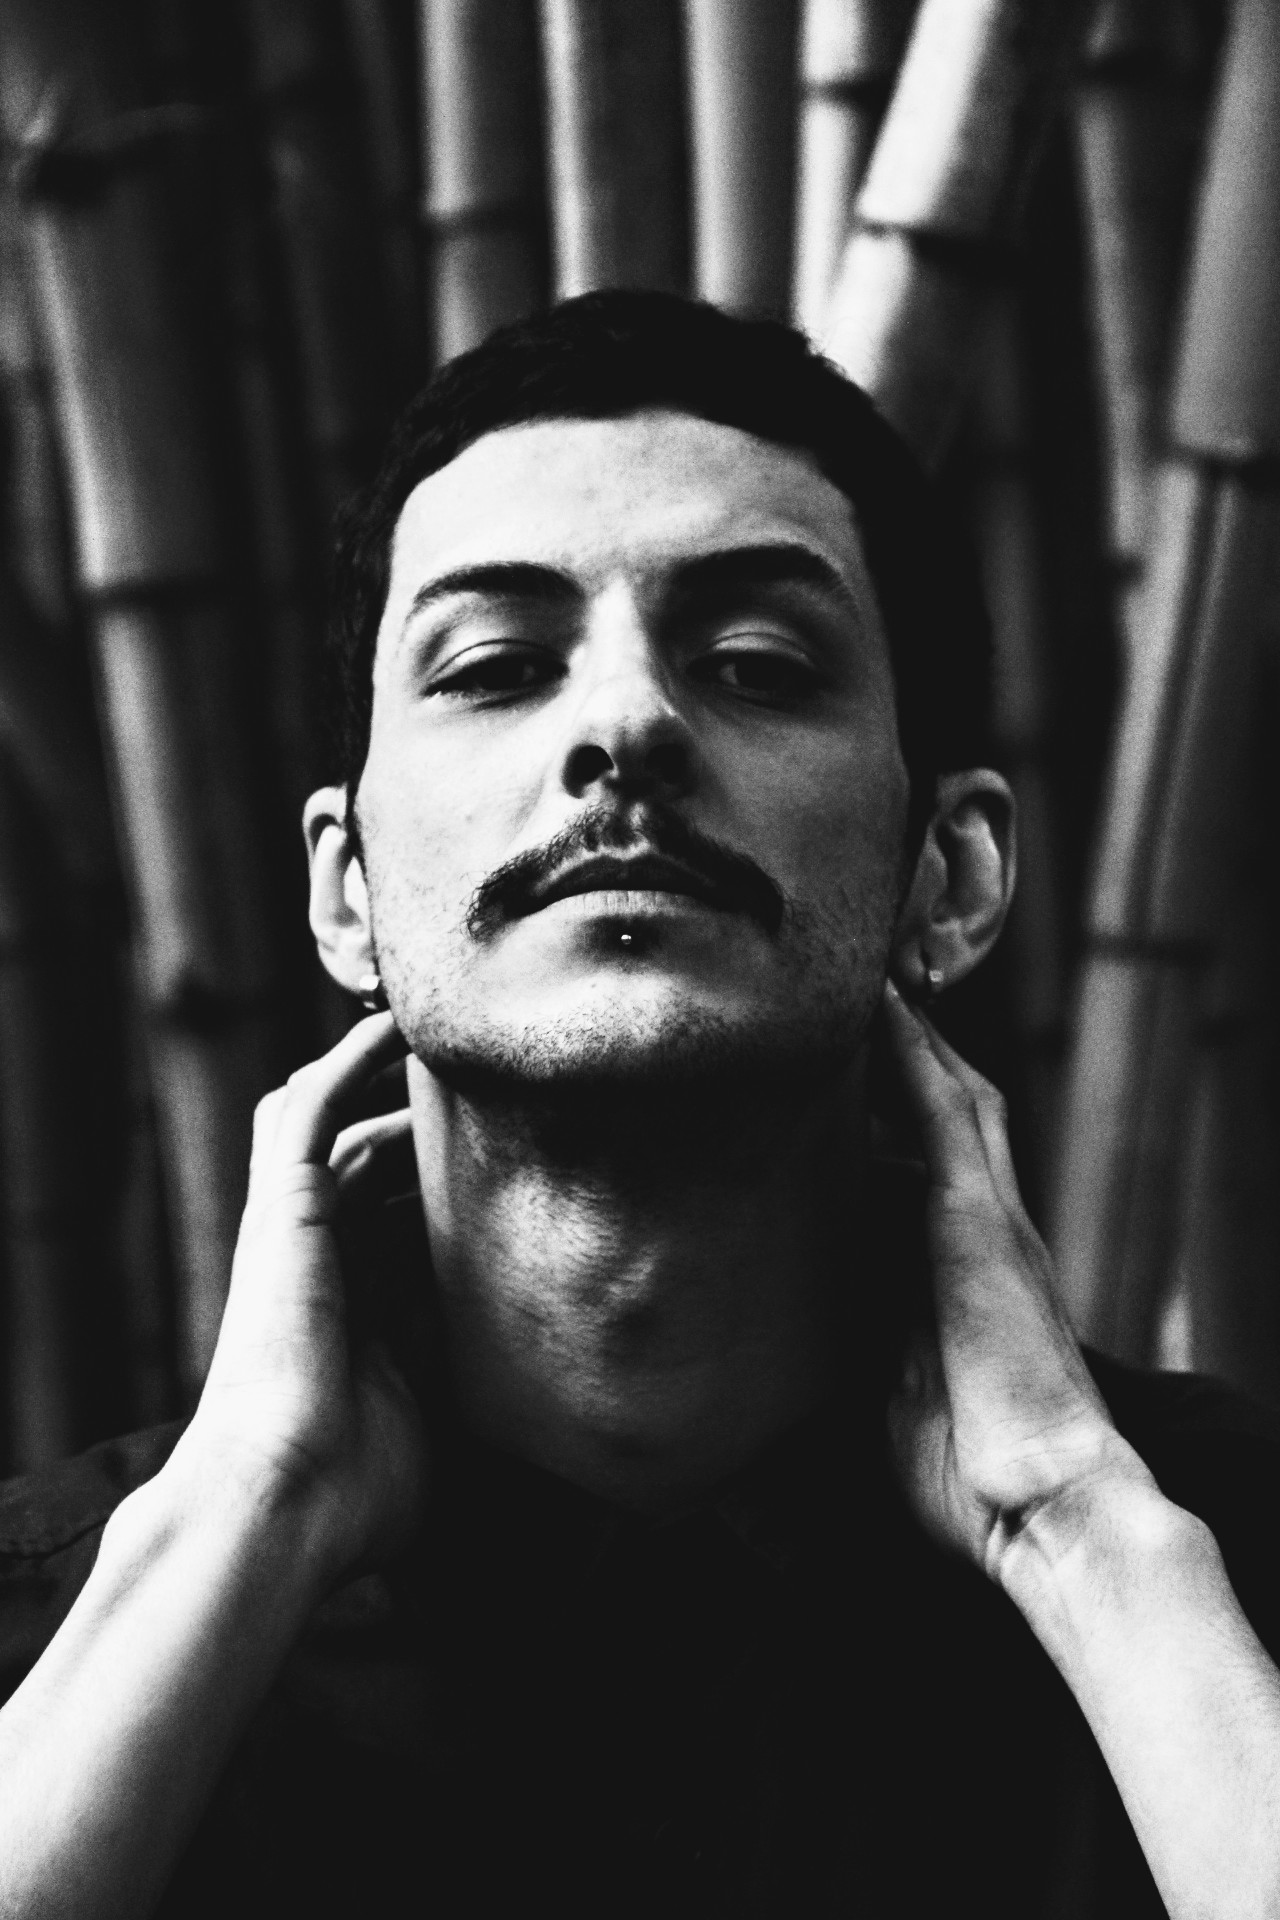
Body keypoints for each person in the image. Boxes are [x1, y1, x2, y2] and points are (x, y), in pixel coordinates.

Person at [1, 290, 1279, 1919]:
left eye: (755, 663)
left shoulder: (1223, 1581)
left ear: (948, 876)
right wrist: (246, 1516)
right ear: (347, 889)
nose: (623, 725)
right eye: (496, 666)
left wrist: (1082, 1533)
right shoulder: (48, 1643)